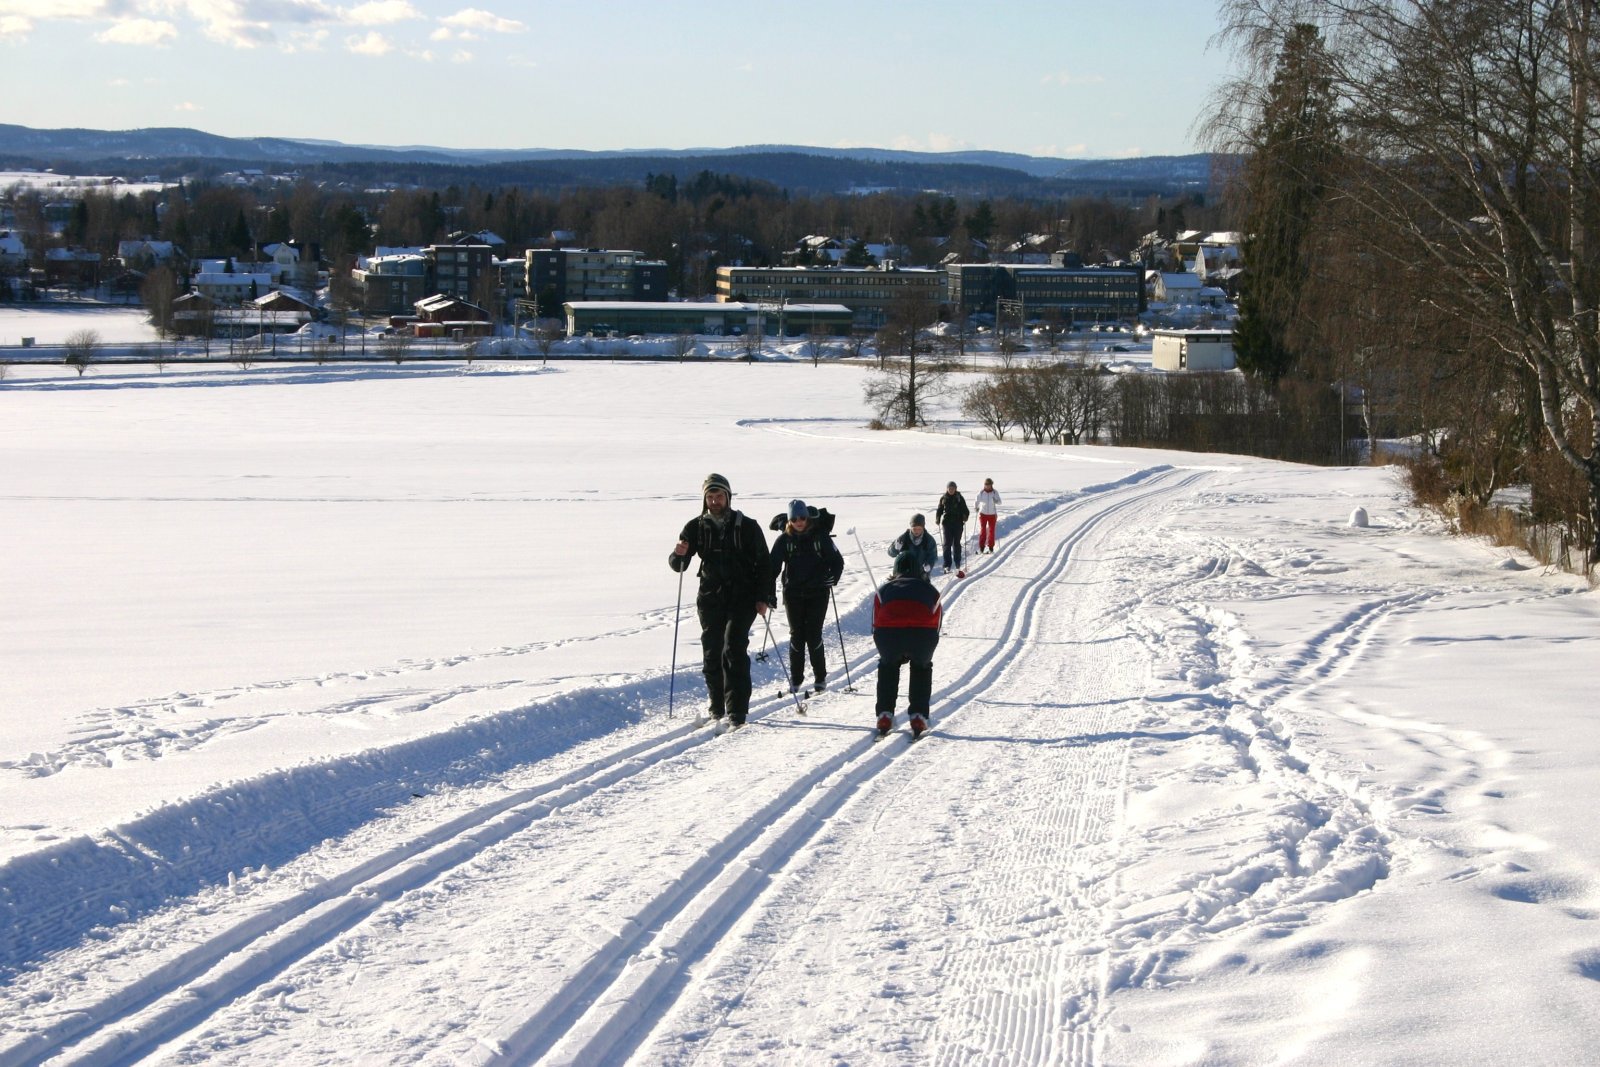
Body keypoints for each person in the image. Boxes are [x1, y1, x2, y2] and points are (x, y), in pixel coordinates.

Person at [668, 473, 774, 728]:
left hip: (743, 597)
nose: (715, 501)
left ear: (728, 496)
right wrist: (677, 554)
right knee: (712, 651)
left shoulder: (748, 526)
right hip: (710, 597)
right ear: (705, 499)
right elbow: (678, 565)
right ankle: (717, 707)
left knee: (734, 649)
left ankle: (737, 712)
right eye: (710, 497)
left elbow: (765, 565)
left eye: (719, 496)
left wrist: (764, 597)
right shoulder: (695, 527)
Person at [770, 499, 844, 694]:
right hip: (793, 593)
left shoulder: (820, 537)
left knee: (813, 633)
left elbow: (837, 561)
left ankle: (820, 677)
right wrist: (768, 592)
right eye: (794, 518)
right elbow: (772, 568)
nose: (799, 521)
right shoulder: (784, 540)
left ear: (807, 517)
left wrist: (832, 578)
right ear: (789, 519)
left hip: (818, 592)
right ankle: (796, 678)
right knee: (796, 636)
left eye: (802, 517)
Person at [872, 551, 942, 738]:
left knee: (888, 666)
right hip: (922, 635)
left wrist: (884, 644)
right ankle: (918, 715)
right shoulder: (930, 590)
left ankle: (885, 714)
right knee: (921, 667)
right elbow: (937, 621)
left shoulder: (884, 590)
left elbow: (875, 620)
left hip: (888, 635)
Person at [935, 481, 970, 572]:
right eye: (949, 488)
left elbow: (965, 509)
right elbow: (939, 510)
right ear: (947, 489)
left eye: (953, 488)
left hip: (958, 523)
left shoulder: (959, 498)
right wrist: (938, 518)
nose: (951, 490)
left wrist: (965, 516)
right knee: (947, 544)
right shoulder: (943, 498)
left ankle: (957, 562)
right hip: (946, 523)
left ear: (955, 489)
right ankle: (947, 564)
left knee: (956, 543)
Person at [976, 477, 1002, 554]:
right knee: (983, 530)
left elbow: (1000, 502)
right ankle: (981, 547)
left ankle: (991, 547)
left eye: (988, 484)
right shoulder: (981, 493)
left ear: (991, 485)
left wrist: (995, 500)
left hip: (992, 514)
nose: (987, 486)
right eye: (986, 484)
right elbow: (976, 500)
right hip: (983, 514)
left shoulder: (994, 492)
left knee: (991, 531)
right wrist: (976, 507)